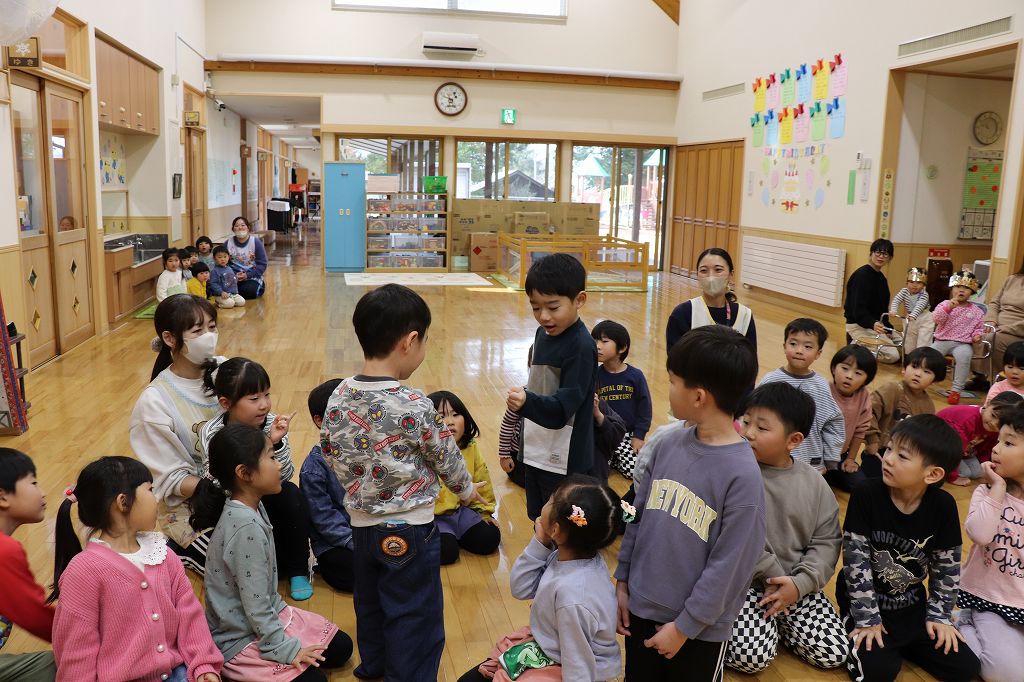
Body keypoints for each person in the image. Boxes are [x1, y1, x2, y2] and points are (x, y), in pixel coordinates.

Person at [319, 283, 482, 681]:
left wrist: (358, 490)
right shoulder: (414, 403)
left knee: (370, 603)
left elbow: (330, 451)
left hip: (361, 528)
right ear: (410, 341)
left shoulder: (338, 396)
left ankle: (374, 665)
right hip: (410, 529)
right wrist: (466, 491)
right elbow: (447, 457)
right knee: (415, 614)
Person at [615, 325, 765, 682]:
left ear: (698, 397)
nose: (667, 388)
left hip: (699, 631)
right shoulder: (667, 445)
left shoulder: (743, 476)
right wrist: (622, 580)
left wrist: (685, 626)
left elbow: (730, 566)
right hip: (641, 607)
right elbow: (636, 516)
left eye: (672, 381)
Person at [191, 425, 352, 682]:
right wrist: (284, 649)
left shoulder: (251, 504)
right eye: (271, 458)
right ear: (244, 473)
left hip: (266, 614)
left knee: (341, 647)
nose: (279, 465)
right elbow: (255, 606)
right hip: (239, 635)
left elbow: (260, 601)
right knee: (315, 680)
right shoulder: (244, 527)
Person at [50, 456, 222, 682]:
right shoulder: (83, 571)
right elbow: (77, 653)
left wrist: (204, 665)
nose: (156, 498)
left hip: (177, 673)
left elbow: (189, 616)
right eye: (150, 490)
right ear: (123, 502)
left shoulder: (162, 553)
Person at [837, 414, 981, 682]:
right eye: (889, 448)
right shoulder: (867, 493)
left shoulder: (943, 506)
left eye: (902, 456)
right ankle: (856, 631)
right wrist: (867, 619)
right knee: (879, 672)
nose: (888, 458)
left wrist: (939, 616)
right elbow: (855, 562)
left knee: (965, 668)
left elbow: (946, 569)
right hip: (865, 604)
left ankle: (902, 646)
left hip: (911, 608)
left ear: (933, 474)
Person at [725, 383, 846, 674]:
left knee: (835, 652)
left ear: (793, 440)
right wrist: (772, 577)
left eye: (762, 427)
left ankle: (780, 625)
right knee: (751, 658)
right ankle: (764, 629)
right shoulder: (733, 473)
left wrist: (800, 584)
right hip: (745, 586)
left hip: (795, 585)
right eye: (746, 421)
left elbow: (827, 540)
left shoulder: (813, 482)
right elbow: (736, 538)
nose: (748, 432)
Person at [457, 476, 621, 682]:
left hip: (572, 664)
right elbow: (521, 588)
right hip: (554, 644)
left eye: (551, 500)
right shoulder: (570, 555)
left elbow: (578, 666)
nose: (547, 502)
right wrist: (540, 542)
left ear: (556, 530)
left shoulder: (573, 597)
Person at [197, 356, 313, 601]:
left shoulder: (272, 423)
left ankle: (298, 570)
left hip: (266, 493)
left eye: (267, 395)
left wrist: (275, 442)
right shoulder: (213, 432)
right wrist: (263, 450)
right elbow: (218, 480)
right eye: (254, 399)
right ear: (226, 403)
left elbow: (284, 475)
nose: (264, 405)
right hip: (234, 498)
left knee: (291, 494)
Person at [130, 295, 222, 574]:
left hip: (240, 490)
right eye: (197, 331)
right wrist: (225, 487)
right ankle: (178, 549)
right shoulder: (154, 402)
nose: (208, 337)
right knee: (232, 564)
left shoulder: (227, 372)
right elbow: (170, 478)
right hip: (190, 508)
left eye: (212, 327)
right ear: (170, 338)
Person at [507, 253, 597, 520]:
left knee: (562, 522)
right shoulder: (542, 334)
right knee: (537, 516)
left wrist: (527, 402)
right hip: (537, 448)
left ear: (579, 300)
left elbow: (562, 410)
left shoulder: (580, 346)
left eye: (553, 307)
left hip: (564, 458)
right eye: (536, 307)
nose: (543, 316)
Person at [956, 407, 1024, 681]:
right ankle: (962, 620)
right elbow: (980, 534)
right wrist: (997, 488)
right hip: (989, 601)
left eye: (1008, 443)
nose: (995, 448)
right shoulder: (986, 492)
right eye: (999, 440)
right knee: (1007, 675)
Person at [757, 318, 845, 471]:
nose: (799, 350)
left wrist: (830, 459)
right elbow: (754, 416)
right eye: (793, 344)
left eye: (808, 346)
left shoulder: (821, 385)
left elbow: (833, 422)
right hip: (771, 460)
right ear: (784, 346)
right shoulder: (770, 380)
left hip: (810, 463)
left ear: (818, 353)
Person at [0, 449, 56, 682]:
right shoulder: (4, 550)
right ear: (3, 497)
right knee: (71, 664)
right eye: (33, 483)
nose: (42, 492)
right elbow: (37, 618)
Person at [428, 390, 501, 566]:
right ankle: (447, 537)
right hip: (434, 518)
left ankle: (456, 534)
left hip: (462, 512)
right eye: (441, 416)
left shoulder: (470, 447)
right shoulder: (425, 452)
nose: (450, 421)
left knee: (490, 539)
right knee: (447, 552)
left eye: (455, 414)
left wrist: (485, 513)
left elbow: (482, 479)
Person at [299, 379, 354, 593]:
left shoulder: (366, 451)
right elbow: (324, 518)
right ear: (319, 420)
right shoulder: (314, 468)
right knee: (353, 573)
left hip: (368, 531)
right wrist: (355, 542)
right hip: (334, 543)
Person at [862, 347, 946, 478]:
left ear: (934, 381)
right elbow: (868, 412)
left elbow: (924, 437)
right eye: (914, 367)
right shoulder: (891, 389)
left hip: (905, 456)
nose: (918, 374)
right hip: (880, 449)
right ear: (904, 369)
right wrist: (871, 440)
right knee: (875, 481)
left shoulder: (928, 405)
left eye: (926, 371)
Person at [665, 247, 756, 353]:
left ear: (731, 275)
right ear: (697, 275)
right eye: (704, 271)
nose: (711, 277)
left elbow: (750, 359)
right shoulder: (683, 313)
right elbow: (674, 359)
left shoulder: (744, 315)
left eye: (718, 270)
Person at [592, 320, 652, 479]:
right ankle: (613, 460)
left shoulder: (635, 376)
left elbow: (645, 408)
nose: (597, 346)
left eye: (604, 341)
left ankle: (617, 460)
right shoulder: (594, 375)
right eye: (595, 341)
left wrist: (639, 436)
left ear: (622, 347)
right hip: (604, 434)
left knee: (635, 472)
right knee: (595, 472)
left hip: (627, 435)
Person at [937, 391, 1023, 486]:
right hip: (941, 447)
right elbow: (953, 450)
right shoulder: (968, 420)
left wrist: (986, 466)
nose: (994, 423)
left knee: (977, 472)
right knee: (965, 473)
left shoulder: (993, 428)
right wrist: (953, 477)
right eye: (993, 415)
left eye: (1000, 424)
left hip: (963, 451)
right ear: (988, 403)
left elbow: (987, 449)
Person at [826, 344, 877, 492]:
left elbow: (860, 430)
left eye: (858, 373)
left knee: (861, 486)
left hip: (840, 455)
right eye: (845, 368)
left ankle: (830, 475)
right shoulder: (823, 389)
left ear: (866, 379)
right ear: (834, 368)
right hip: (816, 454)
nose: (849, 376)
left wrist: (850, 459)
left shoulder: (863, 396)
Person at [930, 271, 986, 404]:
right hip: (942, 340)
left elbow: (979, 327)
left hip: (963, 343)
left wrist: (977, 335)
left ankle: (956, 390)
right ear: (952, 289)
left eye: (966, 288)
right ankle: (926, 379)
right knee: (930, 356)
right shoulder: (944, 304)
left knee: (965, 357)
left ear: (972, 291)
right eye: (958, 287)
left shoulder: (976, 311)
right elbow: (936, 319)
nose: (961, 290)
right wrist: (948, 307)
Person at [845, 239, 897, 363]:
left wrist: (888, 328)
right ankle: (856, 347)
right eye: (877, 252)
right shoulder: (861, 275)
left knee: (903, 345)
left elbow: (882, 309)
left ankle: (862, 346)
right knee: (893, 356)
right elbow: (857, 309)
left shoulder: (881, 278)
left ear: (890, 258)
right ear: (871, 253)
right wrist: (872, 323)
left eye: (885, 254)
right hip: (858, 325)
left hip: (875, 326)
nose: (881, 256)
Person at [976, 258, 1024, 379]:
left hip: (1017, 332)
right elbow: (994, 303)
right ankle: (981, 377)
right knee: (973, 334)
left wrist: (1006, 328)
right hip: (997, 327)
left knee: (993, 339)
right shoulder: (1012, 279)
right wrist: (991, 320)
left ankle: (1002, 379)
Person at [889, 267, 933, 353]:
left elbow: (920, 306)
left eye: (919, 283)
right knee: (908, 341)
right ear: (907, 283)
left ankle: (921, 357)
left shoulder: (924, 294)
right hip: (910, 317)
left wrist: (913, 315)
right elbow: (896, 300)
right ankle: (909, 357)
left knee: (923, 341)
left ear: (924, 285)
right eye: (911, 282)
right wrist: (893, 310)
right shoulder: (904, 291)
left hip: (924, 318)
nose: (914, 285)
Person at [226, 216, 267, 299]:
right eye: (237, 226)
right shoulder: (228, 243)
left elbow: (262, 264)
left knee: (248, 291)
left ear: (248, 228)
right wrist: (233, 275)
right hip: (233, 276)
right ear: (233, 229)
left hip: (252, 276)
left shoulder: (255, 242)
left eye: (243, 225)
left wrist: (247, 275)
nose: (240, 227)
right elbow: (223, 263)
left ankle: (258, 286)